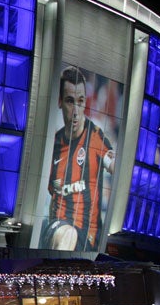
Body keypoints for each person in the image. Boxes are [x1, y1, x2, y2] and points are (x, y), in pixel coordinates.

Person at [42, 66, 116, 251]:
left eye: (80, 101)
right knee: (68, 234)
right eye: (69, 101)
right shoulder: (53, 145)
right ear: (60, 102)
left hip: (89, 238)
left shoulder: (97, 137)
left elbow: (115, 165)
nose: (76, 111)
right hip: (59, 229)